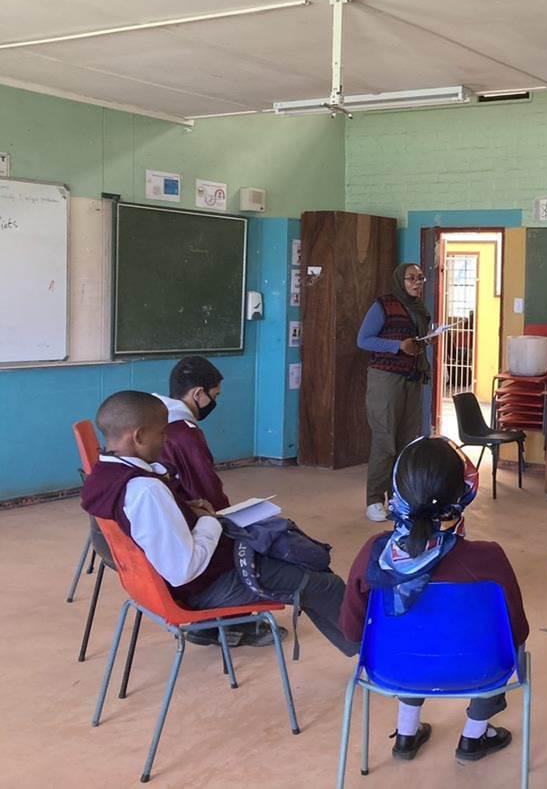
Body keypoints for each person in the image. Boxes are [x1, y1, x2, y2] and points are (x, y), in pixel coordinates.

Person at [81, 391, 357, 656]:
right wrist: (209, 522)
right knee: (325, 585)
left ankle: (365, 651)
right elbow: (182, 570)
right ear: (139, 436)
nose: (166, 440)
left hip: (168, 584)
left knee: (299, 560)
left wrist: (183, 510)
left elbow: (148, 526)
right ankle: (382, 662)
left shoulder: (105, 475)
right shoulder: (145, 490)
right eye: (162, 433)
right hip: (205, 587)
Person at [340, 437, 528, 763]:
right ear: (464, 491)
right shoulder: (490, 558)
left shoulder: (375, 555)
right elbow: (517, 632)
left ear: (398, 488)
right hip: (480, 671)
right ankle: (474, 737)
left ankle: (406, 735)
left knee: (407, 634)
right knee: (506, 645)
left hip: (394, 669)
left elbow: (351, 631)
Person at [358, 263, 431, 522]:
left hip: (411, 377)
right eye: (411, 278)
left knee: (406, 442)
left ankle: (399, 497)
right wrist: (397, 346)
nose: (417, 283)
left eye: (420, 278)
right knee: (385, 440)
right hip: (386, 379)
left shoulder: (420, 309)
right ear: (400, 280)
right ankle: (375, 499)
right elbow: (364, 340)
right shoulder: (383, 305)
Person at [155, 355, 229, 511]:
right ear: (198, 393)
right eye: (214, 396)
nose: (215, 403)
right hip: (179, 515)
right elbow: (205, 489)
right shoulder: (185, 434)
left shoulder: (150, 415)